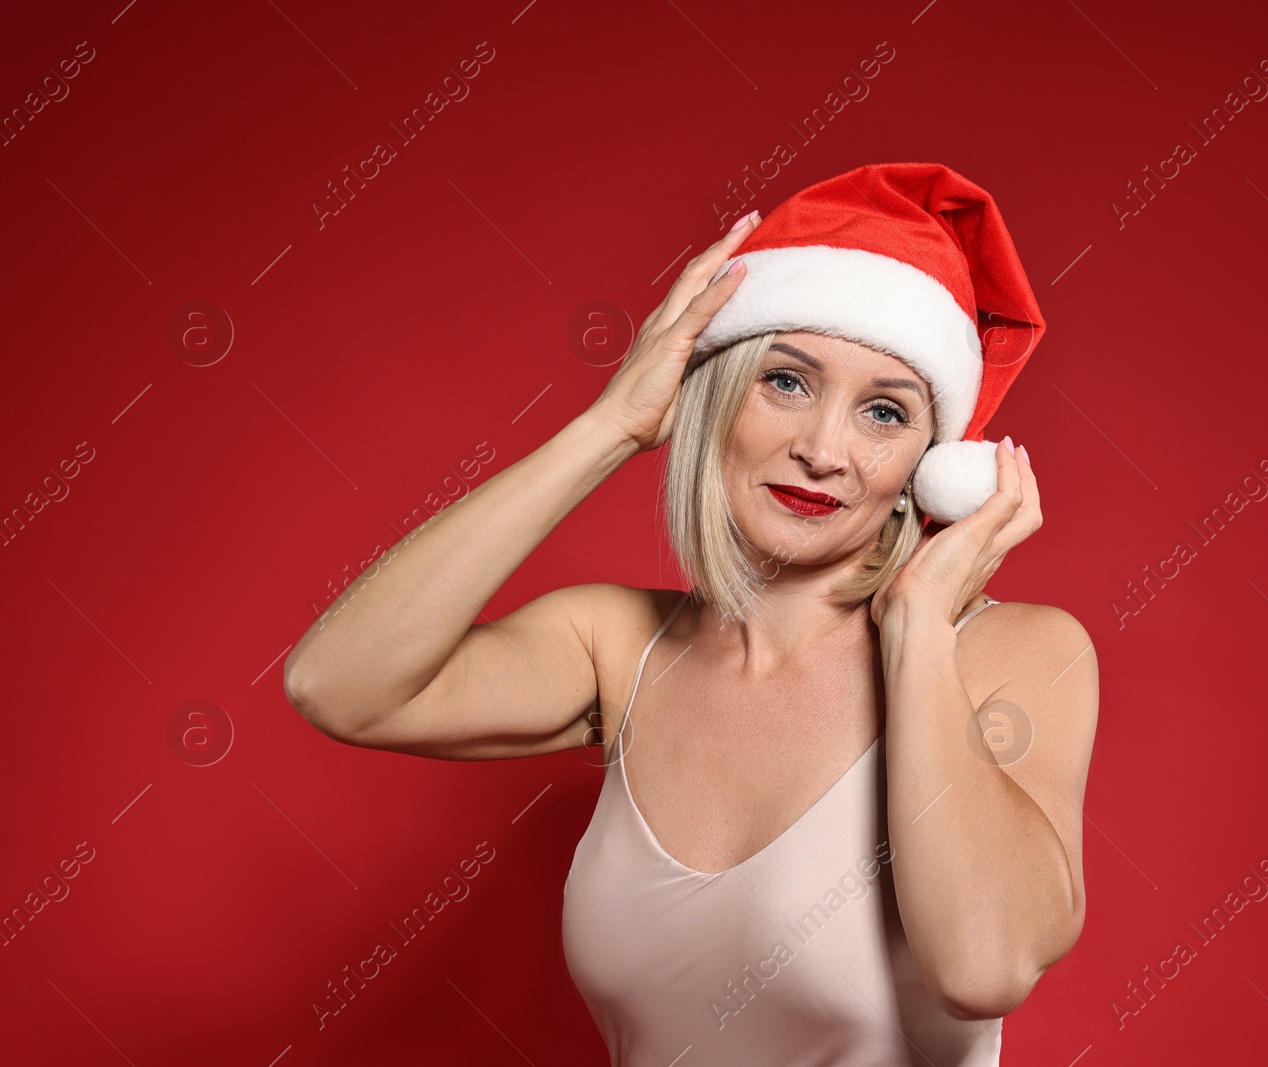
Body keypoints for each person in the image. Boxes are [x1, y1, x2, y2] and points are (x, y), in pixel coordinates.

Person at [283, 162, 1098, 1065]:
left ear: (933, 462)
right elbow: (337, 684)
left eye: (883, 411)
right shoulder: (616, 646)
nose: (823, 450)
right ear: (716, 394)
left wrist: (915, 632)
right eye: (786, 382)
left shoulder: (1014, 653)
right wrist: (611, 427)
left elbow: (984, 967)